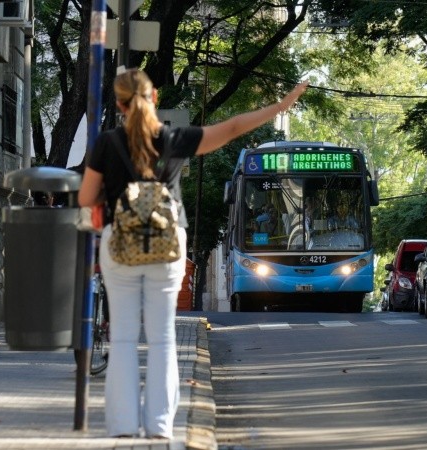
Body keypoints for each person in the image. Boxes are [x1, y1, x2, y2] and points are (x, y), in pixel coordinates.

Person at [78, 68, 307, 439]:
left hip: (119, 245)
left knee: (121, 337)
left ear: (119, 105)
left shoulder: (105, 143)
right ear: (154, 98)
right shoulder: (174, 139)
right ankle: (160, 427)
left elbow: (86, 199)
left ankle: (122, 426)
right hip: (168, 247)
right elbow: (232, 128)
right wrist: (281, 104)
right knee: (163, 336)